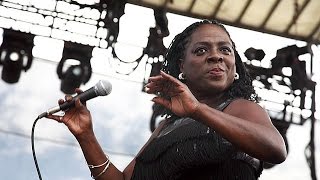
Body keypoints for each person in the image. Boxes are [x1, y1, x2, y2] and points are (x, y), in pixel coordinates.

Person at [47, 19, 287, 180]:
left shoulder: (240, 108)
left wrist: (198, 110)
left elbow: (275, 149)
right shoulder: (165, 127)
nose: (216, 56)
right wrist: (86, 135)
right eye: (201, 50)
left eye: (225, 50)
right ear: (181, 67)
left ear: (235, 68)